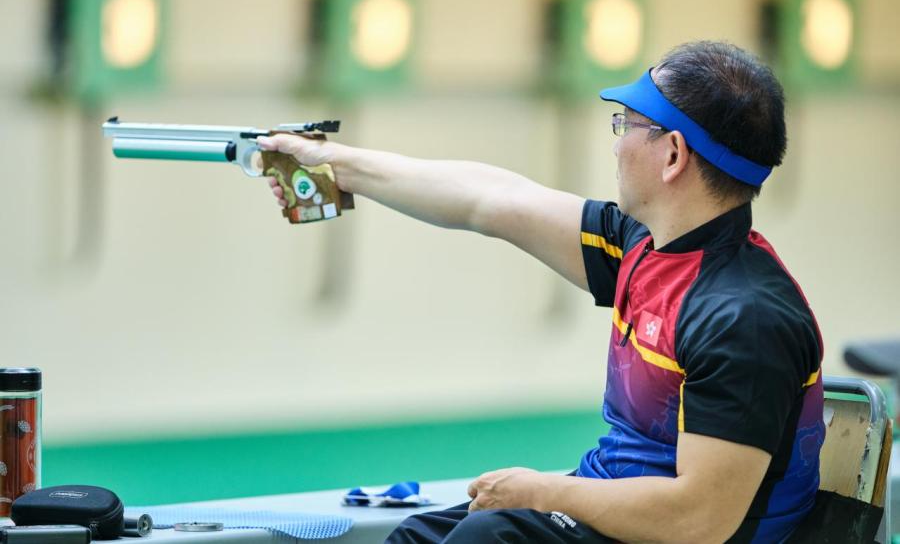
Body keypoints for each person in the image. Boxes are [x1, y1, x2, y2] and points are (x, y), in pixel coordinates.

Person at [257, 41, 825, 543]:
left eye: (627, 125)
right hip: (617, 508)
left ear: (673, 155)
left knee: (489, 536)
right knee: (423, 535)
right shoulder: (646, 247)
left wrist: (543, 491)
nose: (617, 145)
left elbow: (698, 522)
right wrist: (335, 163)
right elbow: (491, 199)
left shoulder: (743, 318)